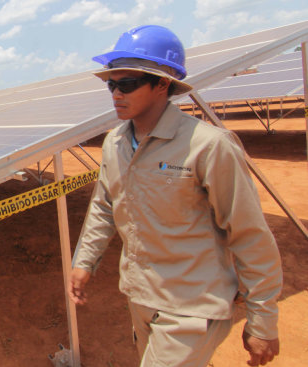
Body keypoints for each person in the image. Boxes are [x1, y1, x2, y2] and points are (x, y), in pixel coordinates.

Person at [69, 25, 283, 367]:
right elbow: (104, 206)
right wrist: (84, 260)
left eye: (127, 85)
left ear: (162, 84)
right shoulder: (116, 143)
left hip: (193, 307)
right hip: (141, 297)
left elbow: (249, 235)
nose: (116, 94)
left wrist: (263, 321)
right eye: (111, 84)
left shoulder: (208, 146)